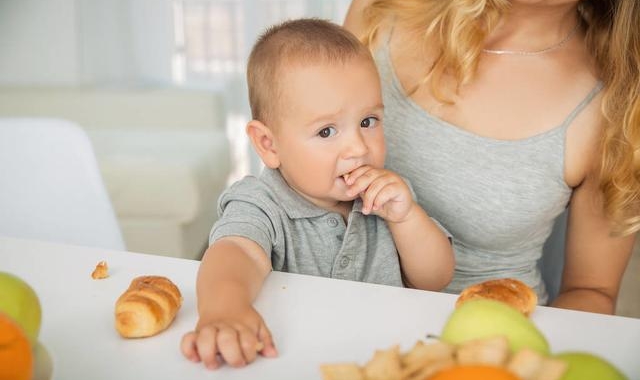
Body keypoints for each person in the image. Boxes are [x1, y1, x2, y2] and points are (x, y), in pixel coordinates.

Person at [180, 18, 454, 369]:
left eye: (368, 121)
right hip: (289, 359)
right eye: (327, 131)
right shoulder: (261, 204)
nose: (358, 147)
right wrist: (225, 310)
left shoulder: (387, 195)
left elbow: (435, 280)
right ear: (268, 144)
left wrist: (407, 218)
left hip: (386, 359)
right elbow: (235, 255)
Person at [344, 0, 639, 315]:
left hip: (484, 342)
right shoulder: (383, 3)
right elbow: (288, 159)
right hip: (329, 310)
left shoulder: (617, 108)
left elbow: (590, 290)